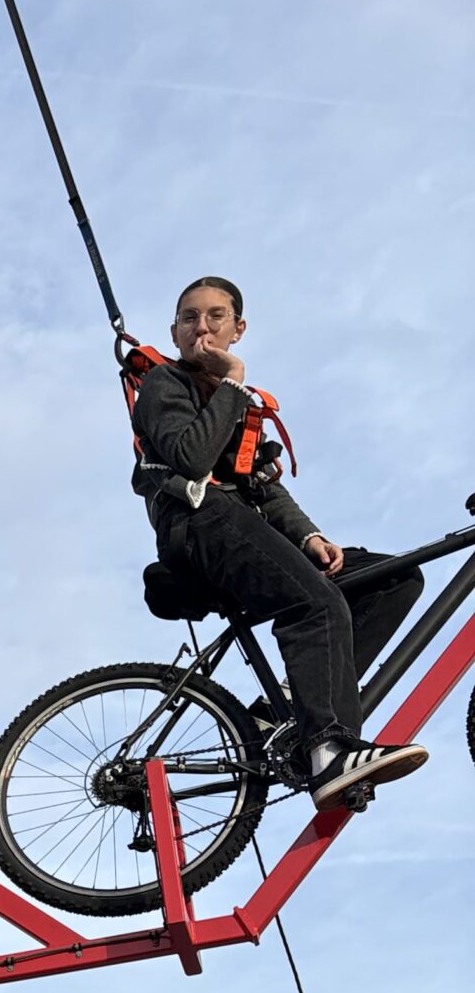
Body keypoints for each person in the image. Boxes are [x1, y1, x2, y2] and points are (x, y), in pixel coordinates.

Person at [132, 277, 425, 808]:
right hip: (199, 527)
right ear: (173, 331)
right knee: (315, 604)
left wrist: (308, 535)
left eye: (216, 317)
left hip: (245, 527)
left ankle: (293, 703)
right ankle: (329, 749)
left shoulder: (237, 406)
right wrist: (234, 381)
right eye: (189, 318)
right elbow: (191, 458)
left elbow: (263, 484)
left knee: (396, 578)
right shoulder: (165, 386)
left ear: (238, 328)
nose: (203, 327)